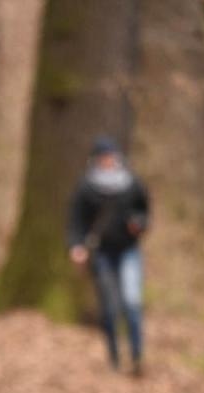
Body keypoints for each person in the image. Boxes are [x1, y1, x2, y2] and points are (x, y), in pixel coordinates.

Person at [66, 135, 150, 374]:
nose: (108, 162)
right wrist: (76, 246)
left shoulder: (132, 184)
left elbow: (144, 210)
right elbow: (76, 221)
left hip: (129, 251)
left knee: (132, 303)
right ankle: (114, 358)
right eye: (104, 158)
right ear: (96, 160)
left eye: (111, 157)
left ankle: (137, 357)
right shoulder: (86, 187)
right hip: (102, 253)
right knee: (110, 308)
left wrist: (139, 224)